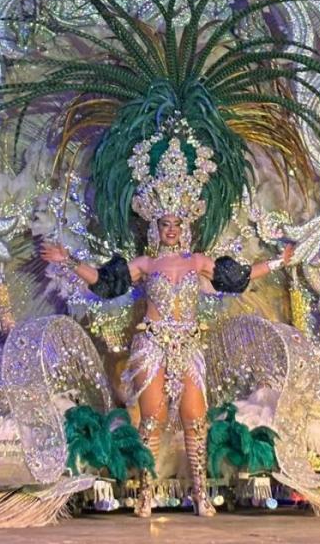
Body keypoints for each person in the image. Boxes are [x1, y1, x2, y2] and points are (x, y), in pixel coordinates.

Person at [42, 134, 294, 517]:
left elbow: (237, 276)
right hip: (153, 344)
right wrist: (66, 260)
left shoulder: (198, 262)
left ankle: (201, 495)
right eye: (164, 222)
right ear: (155, 226)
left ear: (185, 225)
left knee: (196, 418)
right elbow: (105, 281)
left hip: (189, 344)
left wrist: (278, 263)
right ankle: (145, 493)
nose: (171, 228)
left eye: (177, 222)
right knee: (153, 418)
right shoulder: (144, 265)